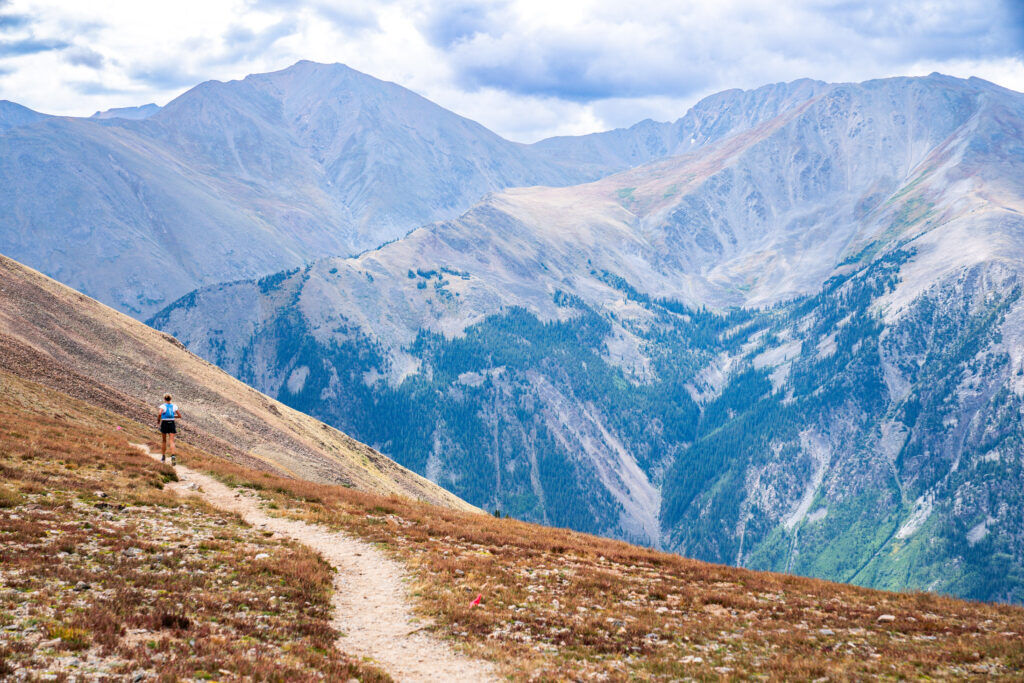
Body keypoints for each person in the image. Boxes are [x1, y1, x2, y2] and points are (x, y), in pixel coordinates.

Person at [157, 394, 181, 465]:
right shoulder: (174, 406)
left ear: (164, 399)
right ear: (171, 399)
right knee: (172, 441)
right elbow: (179, 416)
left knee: (164, 441)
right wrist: (173, 416)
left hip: (164, 423)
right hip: (172, 423)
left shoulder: (163, 406)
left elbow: (159, 413)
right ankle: (173, 456)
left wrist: (159, 420)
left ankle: (163, 457)